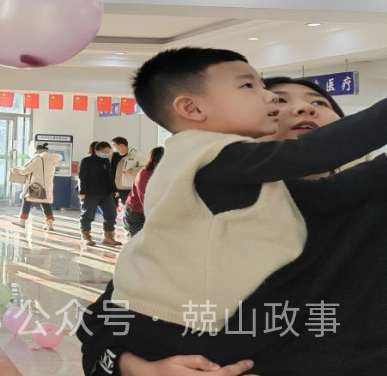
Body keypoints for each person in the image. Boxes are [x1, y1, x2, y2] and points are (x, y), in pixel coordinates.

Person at [82, 47, 387, 371]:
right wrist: (139, 369)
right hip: (188, 334)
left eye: (320, 104)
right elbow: (98, 329)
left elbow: (330, 192)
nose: (300, 108)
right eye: (273, 97)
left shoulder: (303, 202)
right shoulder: (208, 164)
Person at [77, 141, 121, 247]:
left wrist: (114, 189)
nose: (106, 153)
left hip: (105, 192)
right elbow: (82, 177)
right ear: (96, 150)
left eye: (108, 151)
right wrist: (82, 192)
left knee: (111, 214)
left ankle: (108, 237)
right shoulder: (86, 161)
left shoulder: (106, 161)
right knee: (88, 214)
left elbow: (109, 177)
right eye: (104, 151)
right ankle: (85, 236)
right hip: (90, 192)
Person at [10, 143, 60, 230]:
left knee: (27, 200)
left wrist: (17, 170)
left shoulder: (38, 159)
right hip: (47, 185)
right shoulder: (52, 159)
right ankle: (49, 224)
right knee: (45, 203)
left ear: (37, 151)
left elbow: (26, 170)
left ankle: (22, 221)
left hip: (36, 186)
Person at [122, 146, 163, 238]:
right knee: (138, 240)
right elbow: (144, 197)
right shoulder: (145, 174)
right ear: (156, 162)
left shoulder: (161, 173)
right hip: (136, 211)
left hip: (151, 211)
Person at [110, 137, 142, 204]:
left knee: (127, 207)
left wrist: (132, 171)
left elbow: (145, 167)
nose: (112, 147)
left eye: (113, 145)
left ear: (121, 145)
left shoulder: (135, 155)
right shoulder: (111, 155)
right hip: (113, 187)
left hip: (126, 188)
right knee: (113, 209)